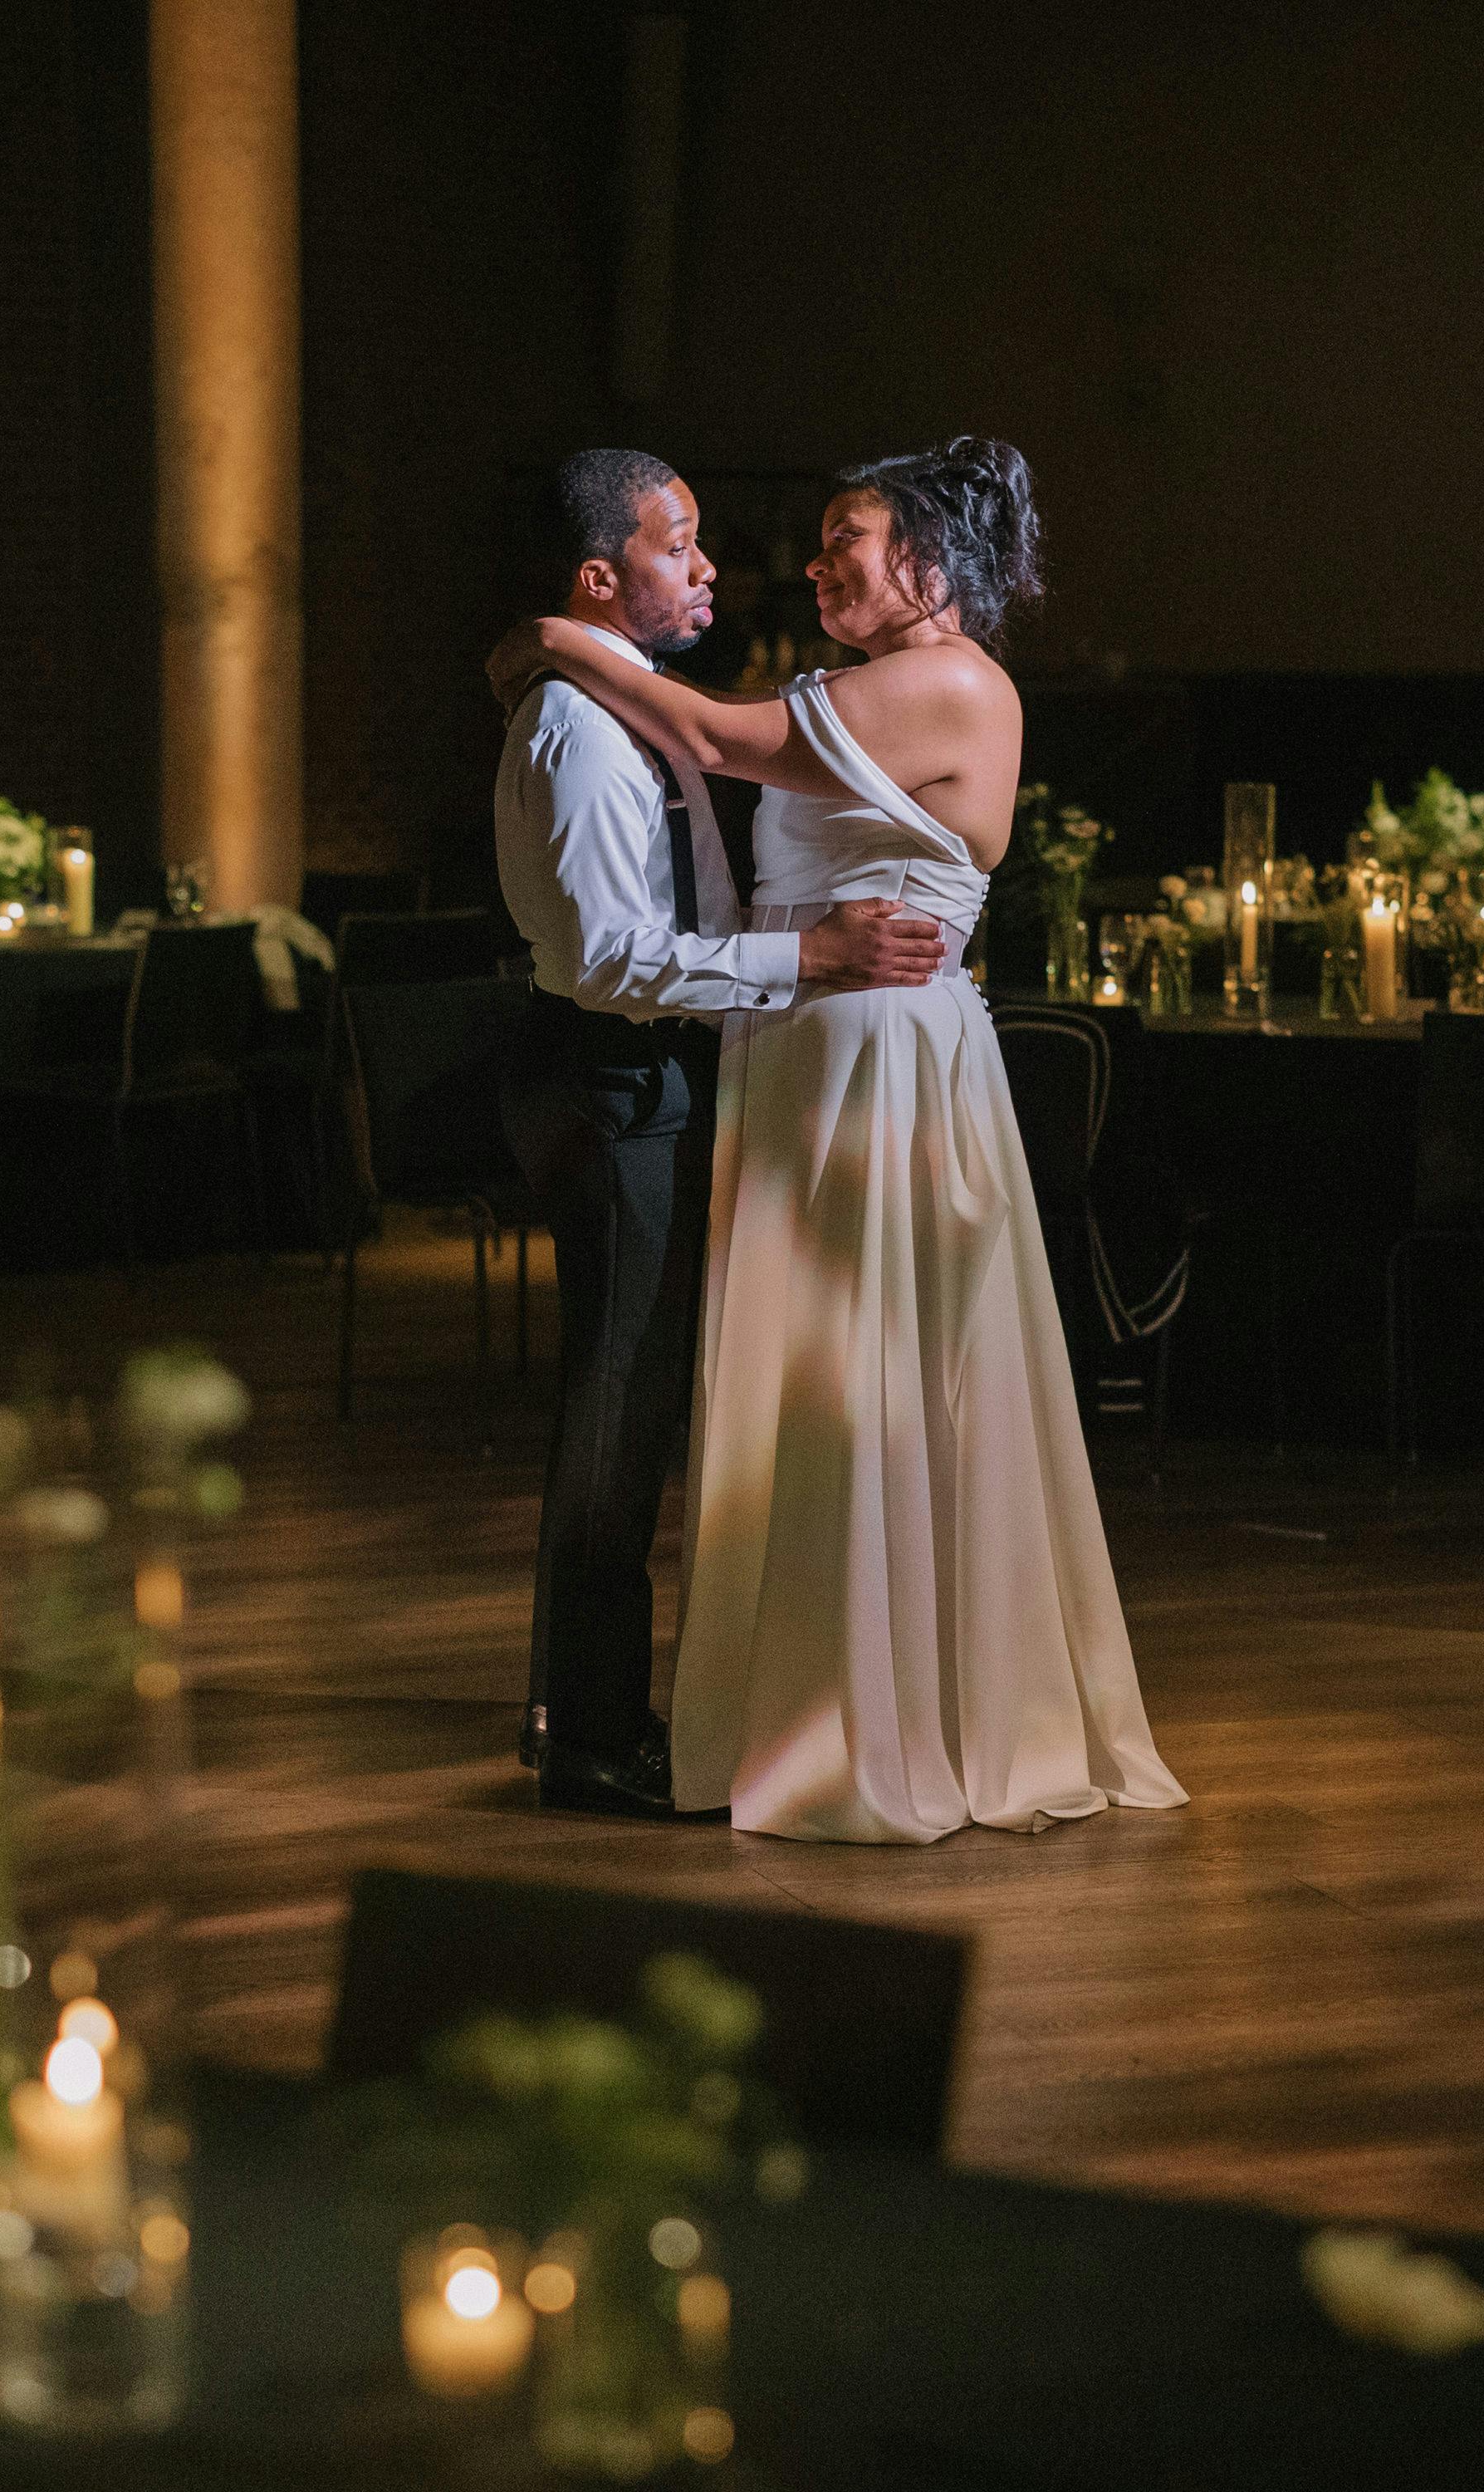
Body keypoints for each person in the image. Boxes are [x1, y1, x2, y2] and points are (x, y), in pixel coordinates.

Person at [497, 437, 1188, 1843]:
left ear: (929, 567)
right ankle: (806, 1697)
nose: (810, 567)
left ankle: (873, 1713)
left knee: (868, 1385)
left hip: (873, 1059)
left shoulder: (941, 683)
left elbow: (705, 737)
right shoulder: (881, 686)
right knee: (815, 1391)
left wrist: (548, 642)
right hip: (809, 1041)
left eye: (845, 542)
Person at [494, 449, 948, 1820]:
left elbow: (675, 920)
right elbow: (614, 962)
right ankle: (587, 1734)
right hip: (614, 1072)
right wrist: (809, 955)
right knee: (617, 1415)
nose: (707, 569)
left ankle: (580, 1709)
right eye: (678, 547)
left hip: (654, 1071)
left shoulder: (635, 716)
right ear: (600, 579)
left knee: (636, 1408)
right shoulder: (578, 732)